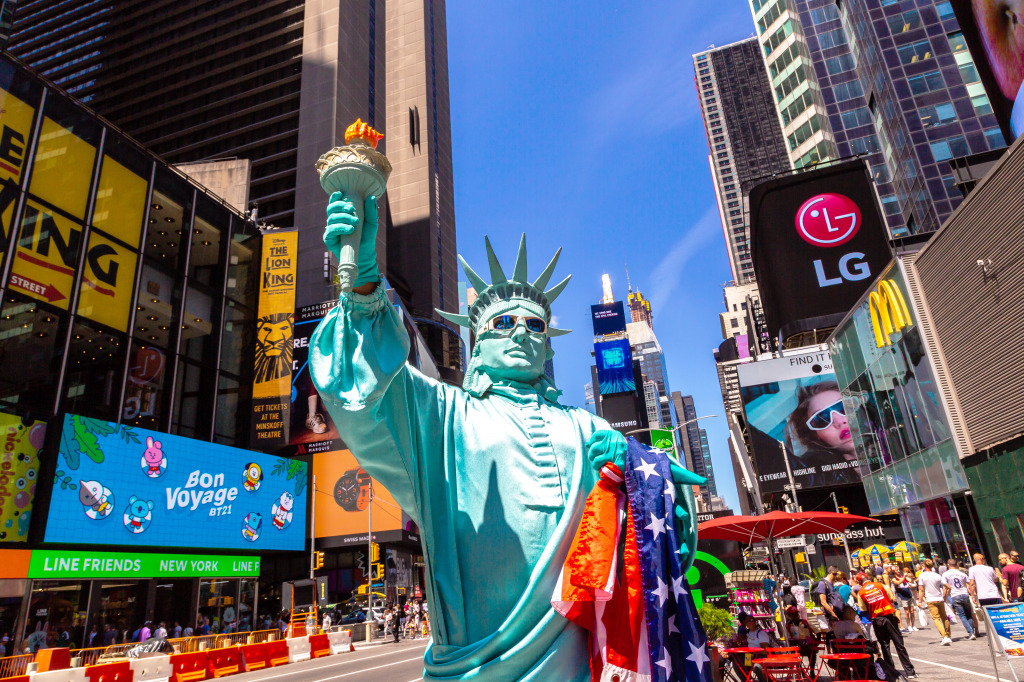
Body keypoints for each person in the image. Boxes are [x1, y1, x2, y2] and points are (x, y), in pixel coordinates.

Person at [309, 203, 704, 680]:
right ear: (477, 342)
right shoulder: (444, 413)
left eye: (535, 325)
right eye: (503, 323)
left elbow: (670, 536)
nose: (520, 331)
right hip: (473, 661)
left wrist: (640, 472)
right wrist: (367, 282)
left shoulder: (587, 427)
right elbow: (370, 390)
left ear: (549, 346)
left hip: (577, 659)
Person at [786, 382, 860, 487]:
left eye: (844, 407)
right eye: (822, 419)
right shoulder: (819, 474)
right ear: (817, 435)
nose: (839, 421)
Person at [858, 572, 918, 678]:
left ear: (860, 582)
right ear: (868, 578)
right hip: (889, 616)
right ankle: (909, 671)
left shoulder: (861, 592)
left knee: (885, 646)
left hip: (876, 619)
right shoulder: (882, 586)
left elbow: (863, 609)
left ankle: (891, 672)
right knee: (899, 644)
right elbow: (892, 598)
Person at [918, 559, 952, 645]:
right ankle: (948, 635)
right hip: (939, 598)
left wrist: (919, 601)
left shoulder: (922, 575)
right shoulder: (937, 575)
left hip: (930, 599)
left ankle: (944, 637)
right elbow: (948, 586)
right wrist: (945, 596)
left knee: (936, 619)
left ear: (924, 566)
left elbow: (921, 589)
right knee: (944, 618)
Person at [943, 559, 976, 640]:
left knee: (962, 615)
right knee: (969, 614)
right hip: (964, 594)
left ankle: (970, 632)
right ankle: (972, 632)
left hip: (955, 595)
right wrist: (972, 594)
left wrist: (945, 596)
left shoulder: (945, 574)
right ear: (956, 565)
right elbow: (970, 583)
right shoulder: (962, 573)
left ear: (948, 565)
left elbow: (945, 585)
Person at [815, 566, 845, 631]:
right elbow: (823, 601)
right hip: (830, 616)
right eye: (836, 574)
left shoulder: (831, 583)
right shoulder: (822, 583)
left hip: (835, 613)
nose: (837, 577)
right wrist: (833, 615)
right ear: (833, 573)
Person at [895, 567, 919, 633]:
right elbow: (898, 582)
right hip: (903, 596)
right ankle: (909, 626)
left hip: (909, 595)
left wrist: (910, 576)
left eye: (899, 570)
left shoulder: (904, 576)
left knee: (912, 611)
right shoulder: (894, 578)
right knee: (907, 612)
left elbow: (911, 581)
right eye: (897, 570)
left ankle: (913, 625)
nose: (898, 571)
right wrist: (903, 578)